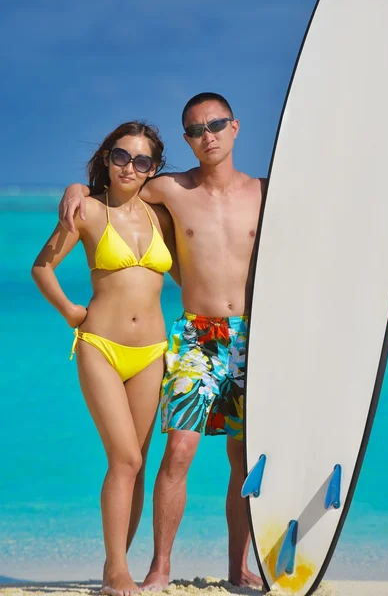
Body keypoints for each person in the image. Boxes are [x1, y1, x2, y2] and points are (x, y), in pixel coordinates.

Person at [59, 93, 266, 589]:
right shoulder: (169, 188)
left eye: (216, 124)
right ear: (187, 140)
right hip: (199, 335)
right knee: (177, 452)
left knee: (242, 457)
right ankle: (160, 568)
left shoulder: (265, 191)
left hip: (255, 336)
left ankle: (239, 567)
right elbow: (115, 186)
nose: (207, 135)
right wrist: (72, 187)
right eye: (195, 130)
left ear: (235, 127)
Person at [32, 121, 179, 596]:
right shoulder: (88, 211)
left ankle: (117, 566)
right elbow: (43, 266)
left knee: (137, 463)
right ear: (107, 156)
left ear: (153, 168)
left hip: (153, 352)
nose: (129, 168)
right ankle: (116, 571)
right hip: (100, 347)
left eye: (140, 161)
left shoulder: (161, 215)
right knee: (123, 458)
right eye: (121, 156)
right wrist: (72, 311)